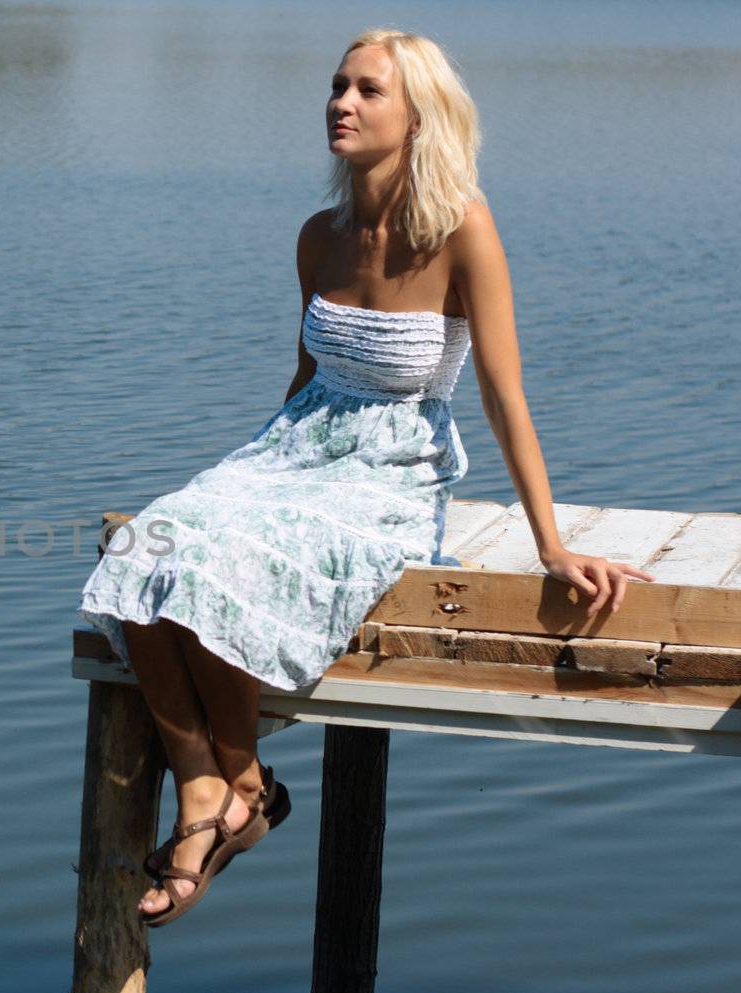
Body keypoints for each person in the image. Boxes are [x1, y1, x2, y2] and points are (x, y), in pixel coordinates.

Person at [77, 27, 657, 929]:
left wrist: (550, 542)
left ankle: (232, 797)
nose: (340, 103)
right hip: (294, 449)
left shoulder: (464, 226)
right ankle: (219, 786)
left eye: (367, 91)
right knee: (147, 542)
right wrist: (237, 481)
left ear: (417, 116)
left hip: (390, 473)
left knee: (216, 564)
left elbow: (505, 395)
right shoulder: (320, 236)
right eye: (338, 86)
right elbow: (304, 379)